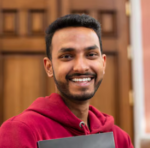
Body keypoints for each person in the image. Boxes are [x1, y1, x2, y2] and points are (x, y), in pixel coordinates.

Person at [0, 14, 134, 148]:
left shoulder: (119, 139)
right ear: (49, 67)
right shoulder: (21, 131)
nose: (81, 67)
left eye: (91, 54)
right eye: (67, 56)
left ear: (103, 63)